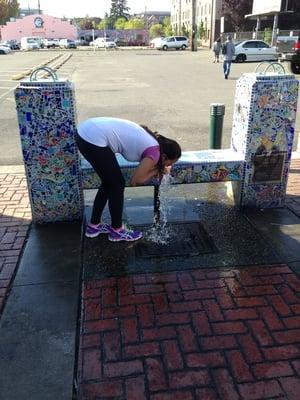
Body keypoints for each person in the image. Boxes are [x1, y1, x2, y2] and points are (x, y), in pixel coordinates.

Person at [76, 117, 181, 242]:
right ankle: (117, 231)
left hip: (85, 132)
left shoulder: (153, 143)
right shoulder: (155, 152)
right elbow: (136, 180)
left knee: (109, 182)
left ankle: (94, 226)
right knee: (117, 184)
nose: (168, 166)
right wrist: (157, 170)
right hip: (92, 137)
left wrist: (157, 168)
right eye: (169, 163)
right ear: (164, 157)